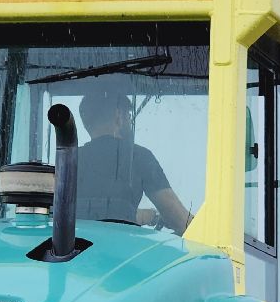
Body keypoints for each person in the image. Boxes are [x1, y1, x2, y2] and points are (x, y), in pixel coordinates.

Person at [73, 84, 194, 232]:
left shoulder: (69, 160)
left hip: (76, 251)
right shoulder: (138, 157)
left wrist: (138, 215)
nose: (130, 122)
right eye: (129, 117)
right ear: (119, 116)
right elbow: (180, 220)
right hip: (122, 251)